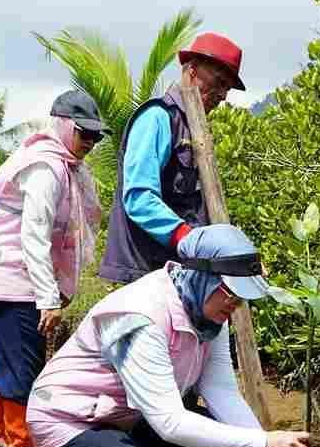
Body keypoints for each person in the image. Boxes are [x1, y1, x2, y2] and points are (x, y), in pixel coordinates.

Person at [30, 224, 311, 447]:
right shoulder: (142, 316)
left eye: (241, 297)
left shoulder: (207, 315)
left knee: (210, 446)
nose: (235, 304)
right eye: (229, 292)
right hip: (68, 421)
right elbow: (169, 422)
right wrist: (265, 441)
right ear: (200, 276)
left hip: (123, 416)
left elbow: (222, 392)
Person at [0, 90, 108, 447]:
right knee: (25, 362)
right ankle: (21, 445)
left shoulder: (65, 166)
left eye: (97, 137)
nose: (91, 144)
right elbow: (35, 235)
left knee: (10, 356)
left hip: (7, 272)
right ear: (63, 126)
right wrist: (47, 298)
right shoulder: (45, 168)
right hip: (10, 274)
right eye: (85, 134)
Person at [98, 32, 245, 286]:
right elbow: (139, 198)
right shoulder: (157, 118)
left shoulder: (195, 129)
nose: (223, 95)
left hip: (178, 274)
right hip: (146, 275)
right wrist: (186, 238)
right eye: (219, 82)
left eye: (227, 89)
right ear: (191, 71)